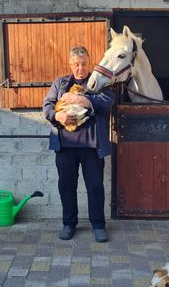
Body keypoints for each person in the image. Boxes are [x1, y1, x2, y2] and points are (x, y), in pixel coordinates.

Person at [43, 46, 115, 242]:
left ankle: (99, 225)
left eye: (83, 64)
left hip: (92, 147)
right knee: (66, 186)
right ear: (70, 64)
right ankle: (69, 224)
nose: (80, 68)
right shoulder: (60, 83)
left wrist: (83, 99)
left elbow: (108, 101)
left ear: (89, 63)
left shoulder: (99, 83)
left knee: (95, 187)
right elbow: (47, 106)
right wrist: (58, 115)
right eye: (76, 64)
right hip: (65, 147)